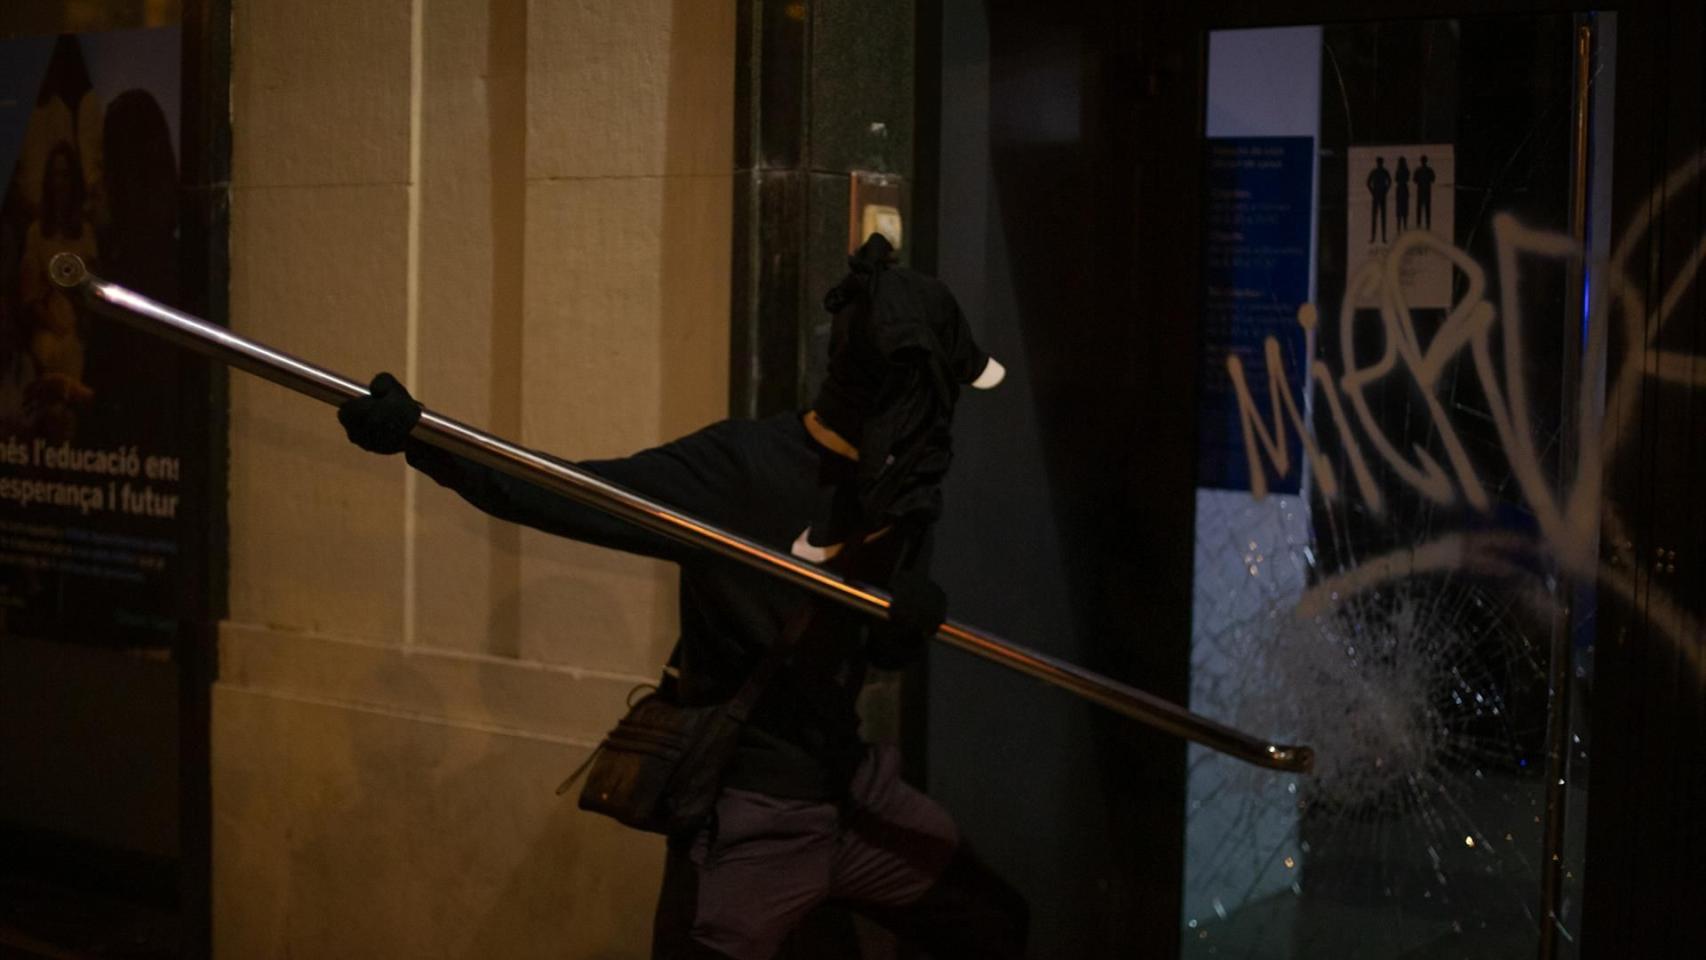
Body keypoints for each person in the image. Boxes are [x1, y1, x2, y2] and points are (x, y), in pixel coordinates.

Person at [338, 234, 1028, 959]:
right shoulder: (741, 469)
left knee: (992, 921)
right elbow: (568, 494)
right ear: (903, 392)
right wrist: (421, 437)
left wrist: (906, 622)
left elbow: (874, 650)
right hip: (750, 816)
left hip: (851, 789)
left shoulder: (902, 489)